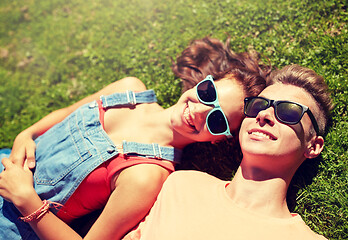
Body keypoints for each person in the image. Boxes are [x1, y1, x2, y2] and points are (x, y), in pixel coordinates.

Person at [0, 37, 270, 240]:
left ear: (218, 139)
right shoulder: (129, 89)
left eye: (217, 119)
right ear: (204, 81)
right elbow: (65, 113)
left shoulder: (148, 175)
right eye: (208, 93)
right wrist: (27, 134)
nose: (199, 111)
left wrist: (27, 200)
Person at [122, 64, 333, 240]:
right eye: (258, 105)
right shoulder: (181, 184)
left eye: (288, 111)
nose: (265, 115)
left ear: (313, 146)